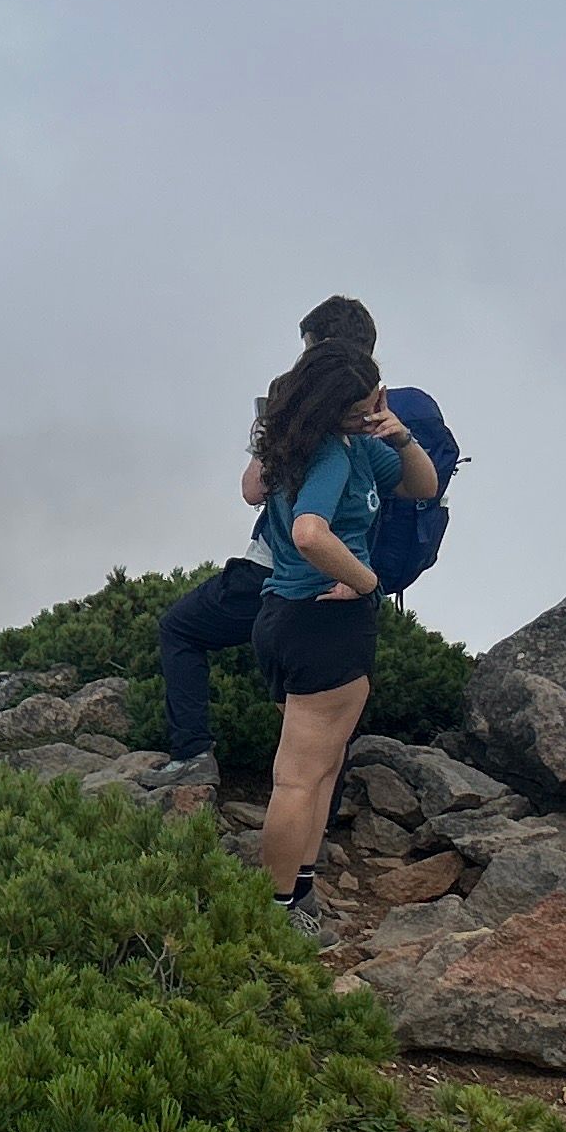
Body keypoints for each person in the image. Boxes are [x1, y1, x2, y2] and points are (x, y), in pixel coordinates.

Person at [245, 336, 438, 938]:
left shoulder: (327, 445)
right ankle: (273, 915)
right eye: (359, 404)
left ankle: (298, 894)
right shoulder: (332, 455)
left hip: (283, 614)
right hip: (324, 622)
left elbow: (423, 486)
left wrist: (397, 433)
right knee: (301, 776)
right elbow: (308, 532)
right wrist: (367, 578)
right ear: (331, 408)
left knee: (320, 768)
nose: (369, 409)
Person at [155, 296, 382, 793]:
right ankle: (325, 810)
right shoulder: (375, 413)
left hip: (281, 575)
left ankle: (194, 755)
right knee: (324, 705)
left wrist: (272, 430)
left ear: (319, 348)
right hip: (346, 583)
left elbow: (253, 491)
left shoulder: (305, 412)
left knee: (180, 629)